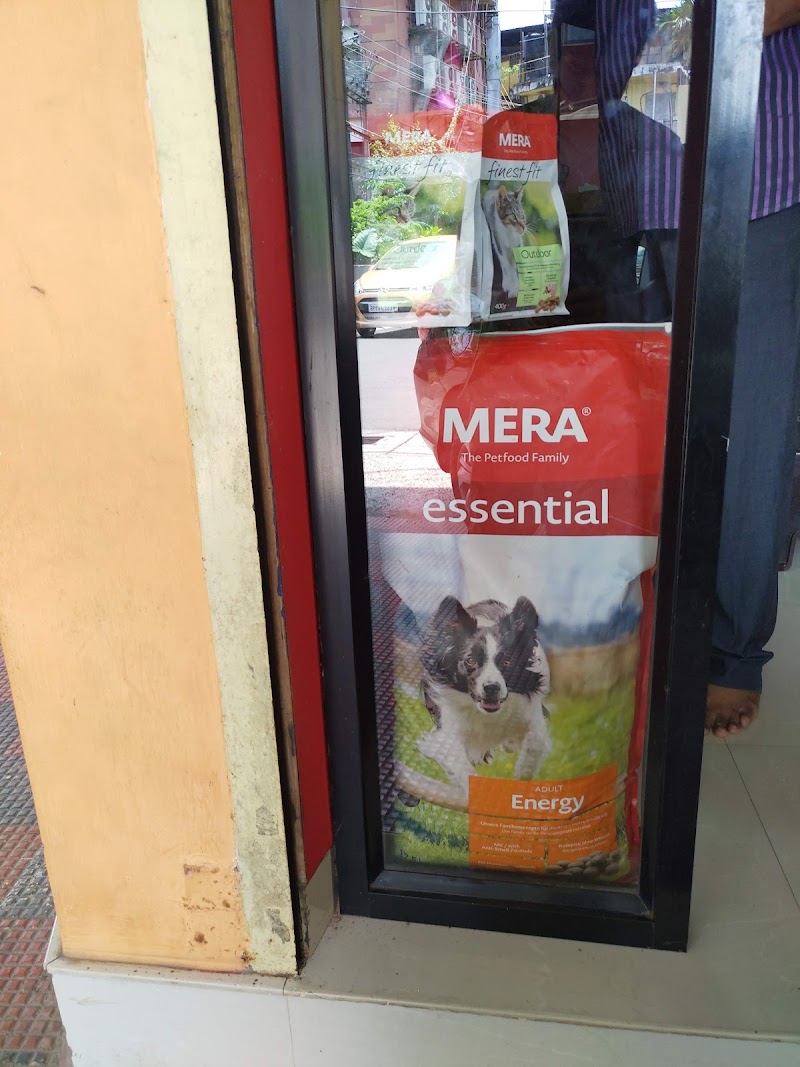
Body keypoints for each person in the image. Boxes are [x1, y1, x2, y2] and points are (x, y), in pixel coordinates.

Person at [577, 0, 800, 736]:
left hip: (749, 163)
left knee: (743, 427)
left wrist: (710, 32)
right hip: (635, 174)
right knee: (644, 429)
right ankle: (655, 617)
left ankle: (731, 649)